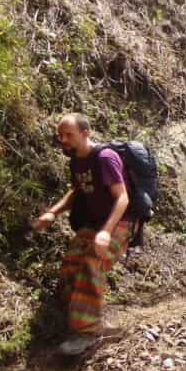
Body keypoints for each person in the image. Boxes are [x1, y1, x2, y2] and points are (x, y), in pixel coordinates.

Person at [32, 114, 132, 355]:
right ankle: (75, 319)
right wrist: (53, 213)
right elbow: (77, 191)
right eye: (60, 136)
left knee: (91, 262)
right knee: (71, 264)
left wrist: (106, 233)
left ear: (85, 133)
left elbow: (123, 197)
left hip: (118, 222)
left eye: (69, 135)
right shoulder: (76, 161)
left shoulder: (105, 158)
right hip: (93, 222)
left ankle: (87, 331)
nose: (63, 140)